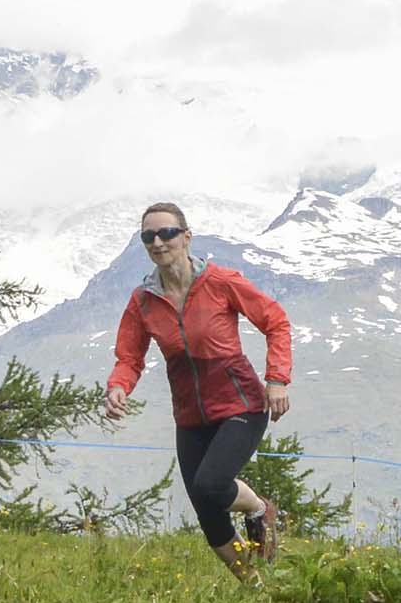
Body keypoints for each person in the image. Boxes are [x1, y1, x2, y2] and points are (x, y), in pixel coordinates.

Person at [105, 203, 293, 582]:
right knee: (206, 507)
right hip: (190, 416)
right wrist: (118, 387)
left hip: (241, 404)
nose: (158, 242)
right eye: (148, 236)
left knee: (210, 485)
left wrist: (277, 379)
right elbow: (130, 356)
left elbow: (276, 321)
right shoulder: (143, 301)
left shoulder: (221, 282)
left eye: (167, 233)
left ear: (186, 237)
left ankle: (258, 508)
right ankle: (256, 586)